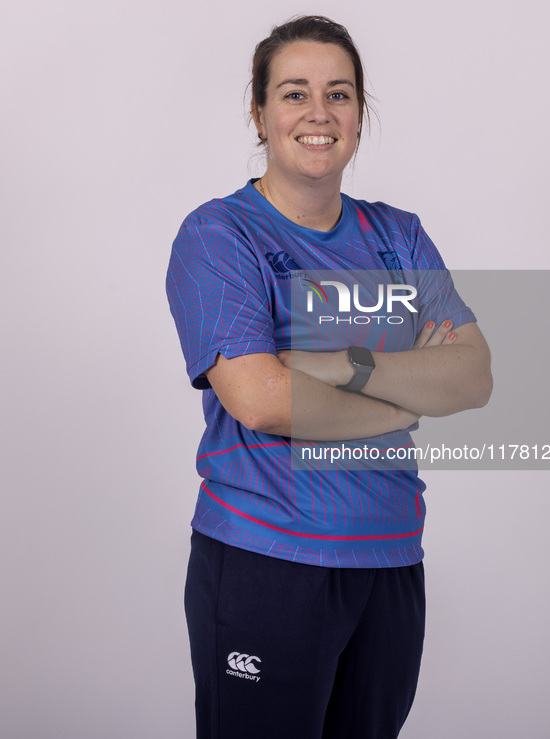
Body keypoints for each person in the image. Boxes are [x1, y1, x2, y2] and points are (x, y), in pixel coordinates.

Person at [166, 15, 492, 739]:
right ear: (258, 112)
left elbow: (471, 376)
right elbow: (260, 399)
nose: (318, 113)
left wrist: (342, 368)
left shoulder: (397, 235)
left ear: (358, 112)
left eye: (338, 93)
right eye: (293, 93)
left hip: (391, 560)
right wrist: (405, 394)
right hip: (265, 559)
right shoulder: (220, 235)